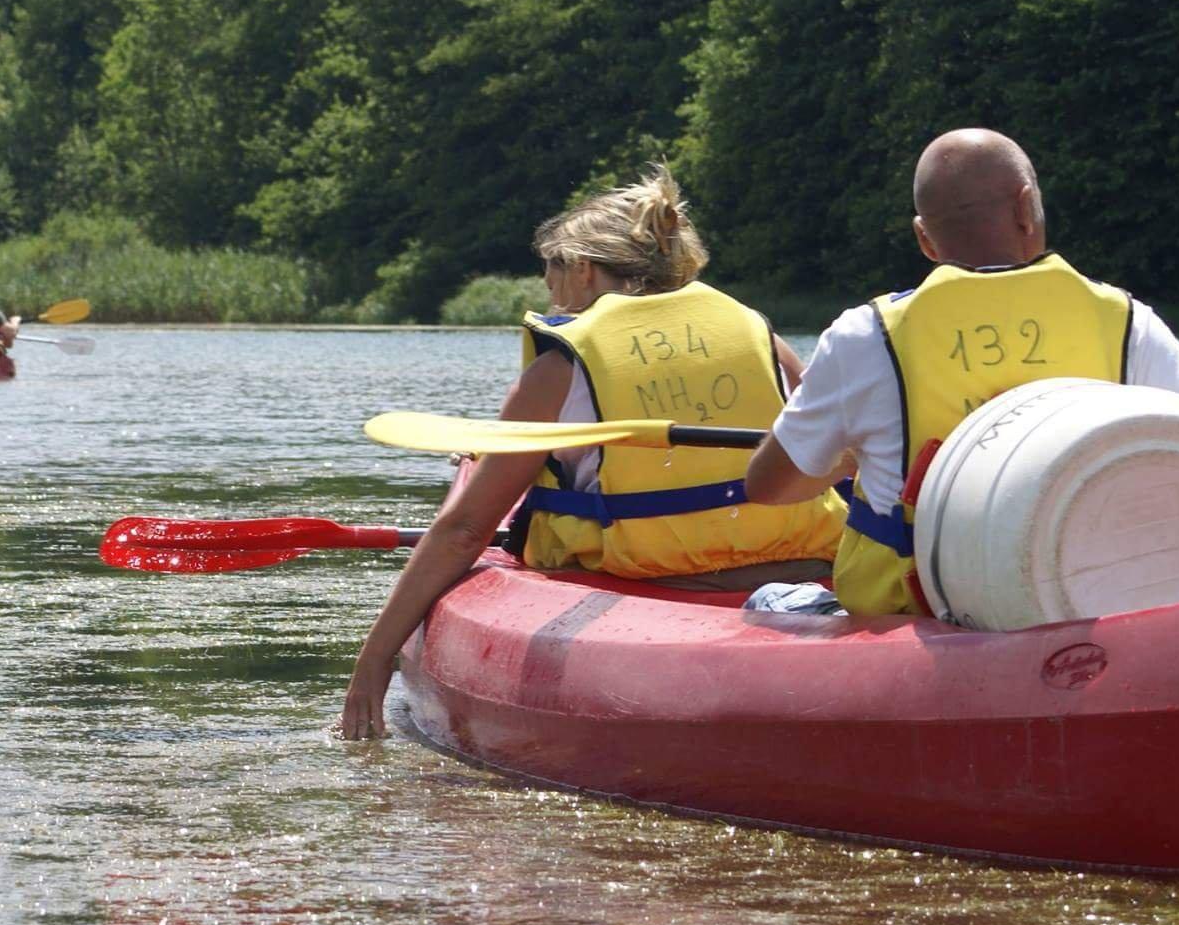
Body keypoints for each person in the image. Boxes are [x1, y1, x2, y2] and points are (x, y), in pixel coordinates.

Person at [339, 165, 849, 740]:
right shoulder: (761, 338)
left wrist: (374, 659)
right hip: (805, 570)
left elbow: (465, 530)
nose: (549, 288)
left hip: (656, 590)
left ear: (582, 269)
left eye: (551, 269)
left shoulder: (558, 369)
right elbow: (836, 456)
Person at [742, 128, 1179, 618]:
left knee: (768, 605)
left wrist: (850, 453)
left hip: (917, 610)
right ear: (1027, 208)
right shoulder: (1124, 321)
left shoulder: (866, 335)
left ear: (924, 239)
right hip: (1089, 602)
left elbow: (769, 486)